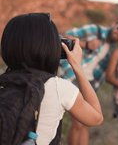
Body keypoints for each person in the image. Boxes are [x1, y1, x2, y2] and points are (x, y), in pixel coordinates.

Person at [0, 13, 103, 145]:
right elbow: (96, 117)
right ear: (50, 47)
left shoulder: (4, 82)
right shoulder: (59, 88)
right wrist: (77, 67)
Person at [59, 21, 118, 145]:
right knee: (78, 121)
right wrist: (84, 44)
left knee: (86, 122)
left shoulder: (113, 50)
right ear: (113, 24)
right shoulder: (95, 30)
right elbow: (62, 36)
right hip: (71, 75)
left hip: (89, 83)